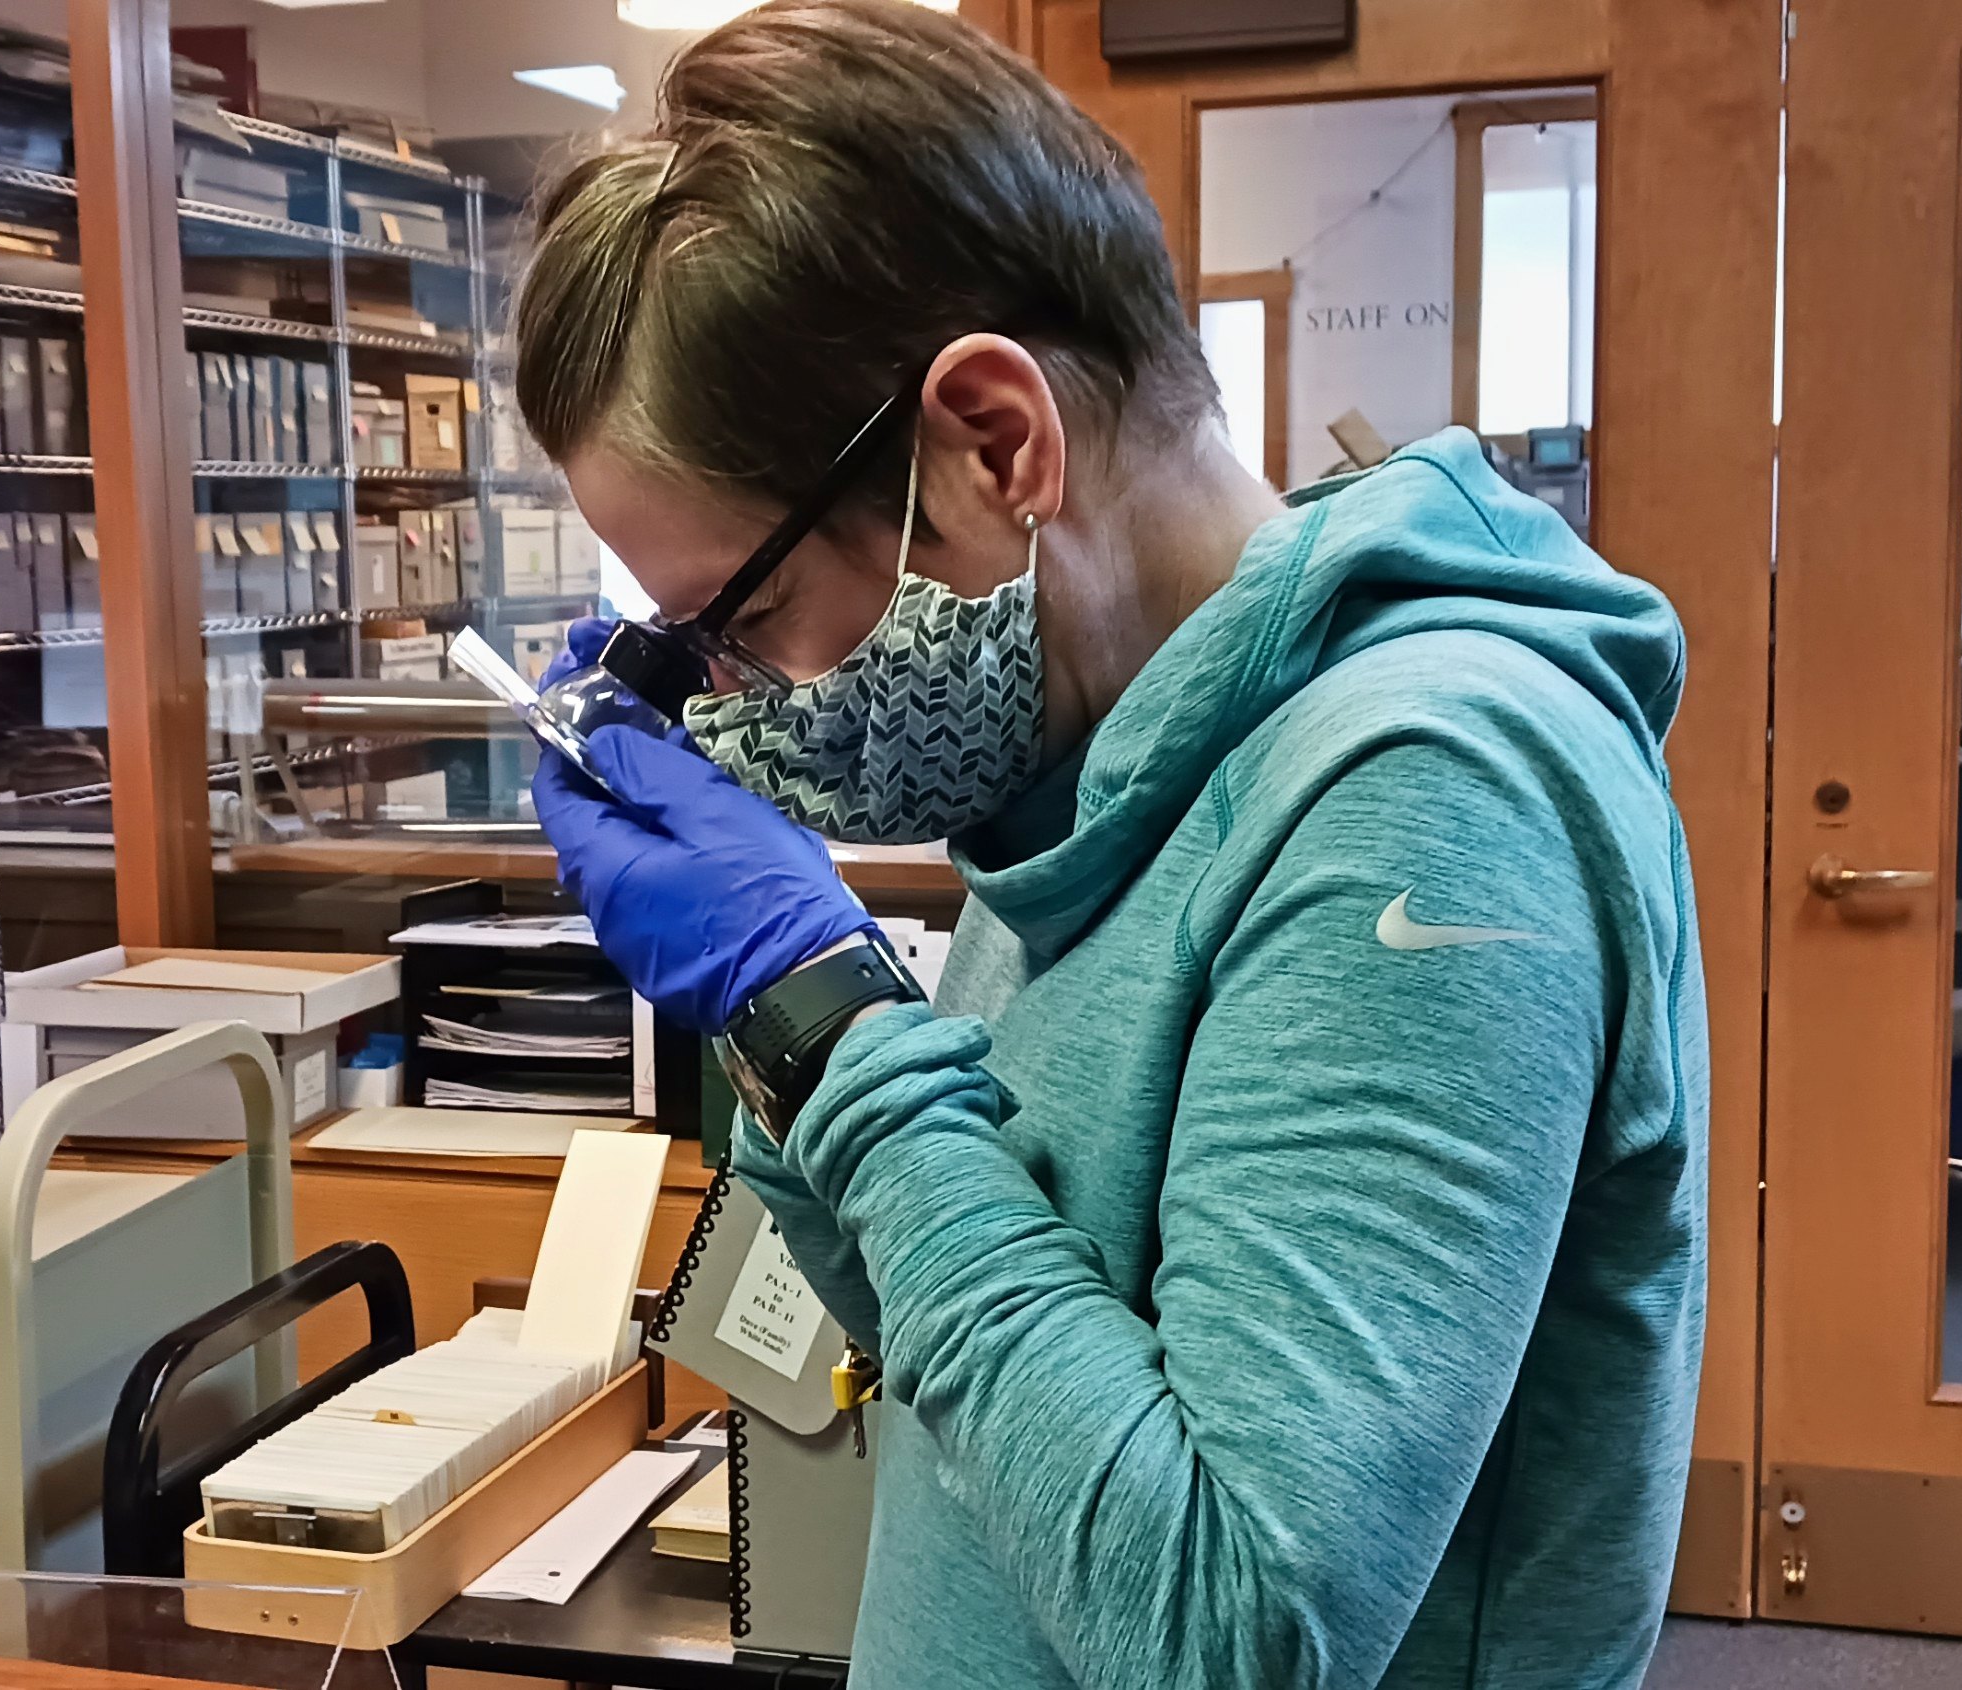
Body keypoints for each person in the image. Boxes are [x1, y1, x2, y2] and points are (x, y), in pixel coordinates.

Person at [514, 5, 1706, 1687]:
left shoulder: (1434, 787)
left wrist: (829, 1016)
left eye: (749, 612)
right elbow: (960, 1368)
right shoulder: (1085, 780)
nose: (737, 699)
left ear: (999, 444)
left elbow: (1232, 1632)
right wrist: (784, 1039)